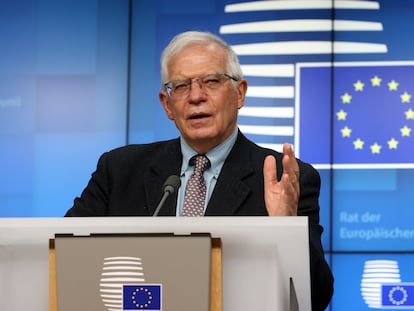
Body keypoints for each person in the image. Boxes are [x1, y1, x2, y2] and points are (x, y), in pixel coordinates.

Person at [65, 30, 334, 310]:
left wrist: (286, 229)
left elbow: (316, 298)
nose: (196, 96)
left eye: (211, 81)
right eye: (180, 86)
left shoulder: (283, 177)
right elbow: (63, 256)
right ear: (167, 105)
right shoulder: (119, 170)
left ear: (239, 93)